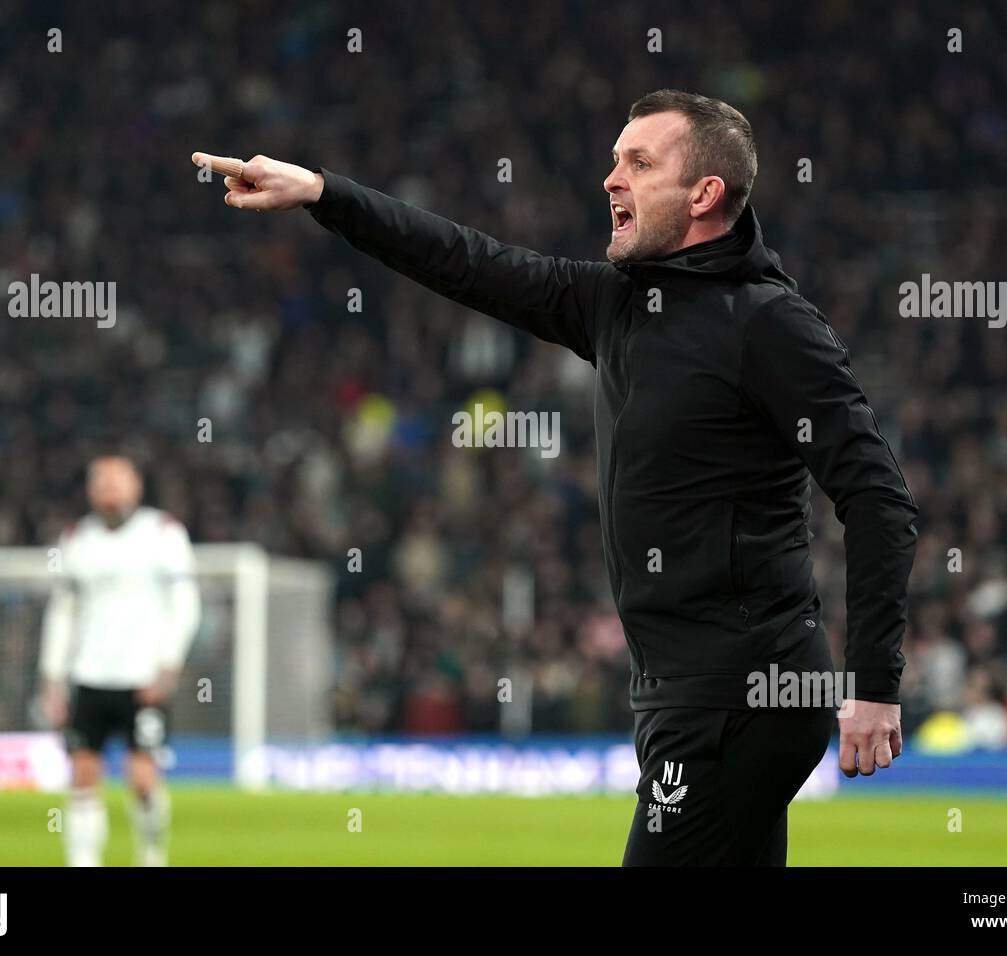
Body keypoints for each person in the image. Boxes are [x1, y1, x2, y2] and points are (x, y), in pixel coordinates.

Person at [192, 87, 918, 865]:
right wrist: (325, 194)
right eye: (614, 160)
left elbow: (878, 498)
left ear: (706, 194)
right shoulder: (614, 304)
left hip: (740, 692)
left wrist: (872, 683)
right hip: (685, 691)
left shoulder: (769, 324)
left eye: (639, 163)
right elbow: (468, 261)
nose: (610, 179)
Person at [38, 456, 201, 866]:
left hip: (142, 676)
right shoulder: (76, 539)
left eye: (117, 480)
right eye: (101, 481)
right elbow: (62, 612)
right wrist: (53, 678)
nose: (109, 488)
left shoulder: (163, 533)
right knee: (82, 775)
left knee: (143, 780)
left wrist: (168, 665)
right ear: (90, 489)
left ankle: (150, 853)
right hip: (89, 675)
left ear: (136, 486)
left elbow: (185, 604)